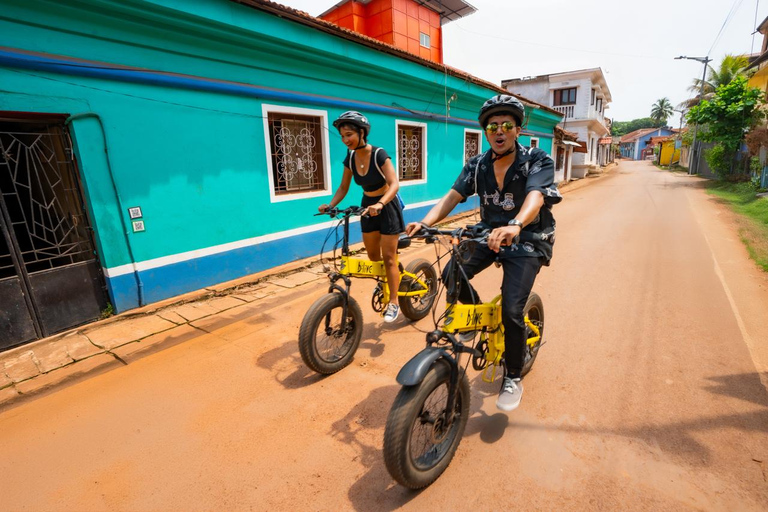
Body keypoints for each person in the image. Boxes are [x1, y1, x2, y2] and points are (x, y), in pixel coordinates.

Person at [405, 95, 561, 411]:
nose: (499, 131)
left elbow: (535, 196)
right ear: (485, 132)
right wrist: (425, 223)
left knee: (512, 309)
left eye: (506, 125)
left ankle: (513, 375)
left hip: (529, 236)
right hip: (488, 234)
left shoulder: (537, 160)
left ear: (517, 130)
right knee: (451, 273)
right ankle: (478, 317)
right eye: (492, 126)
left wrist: (516, 224)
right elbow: (452, 196)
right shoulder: (477, 166)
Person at [319, 111, 405, 323]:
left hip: (387, 205)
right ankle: (391, 276)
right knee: (373, 256)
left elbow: (394, 184)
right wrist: (331, 206)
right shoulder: (350, 157)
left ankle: (394, 302)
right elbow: (343, 187)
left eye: (349, 134)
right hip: (368, 206)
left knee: (388, 258)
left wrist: (380, 203)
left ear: (361, 132)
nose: (345, 139)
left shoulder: (379, 154)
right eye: (342, 136)